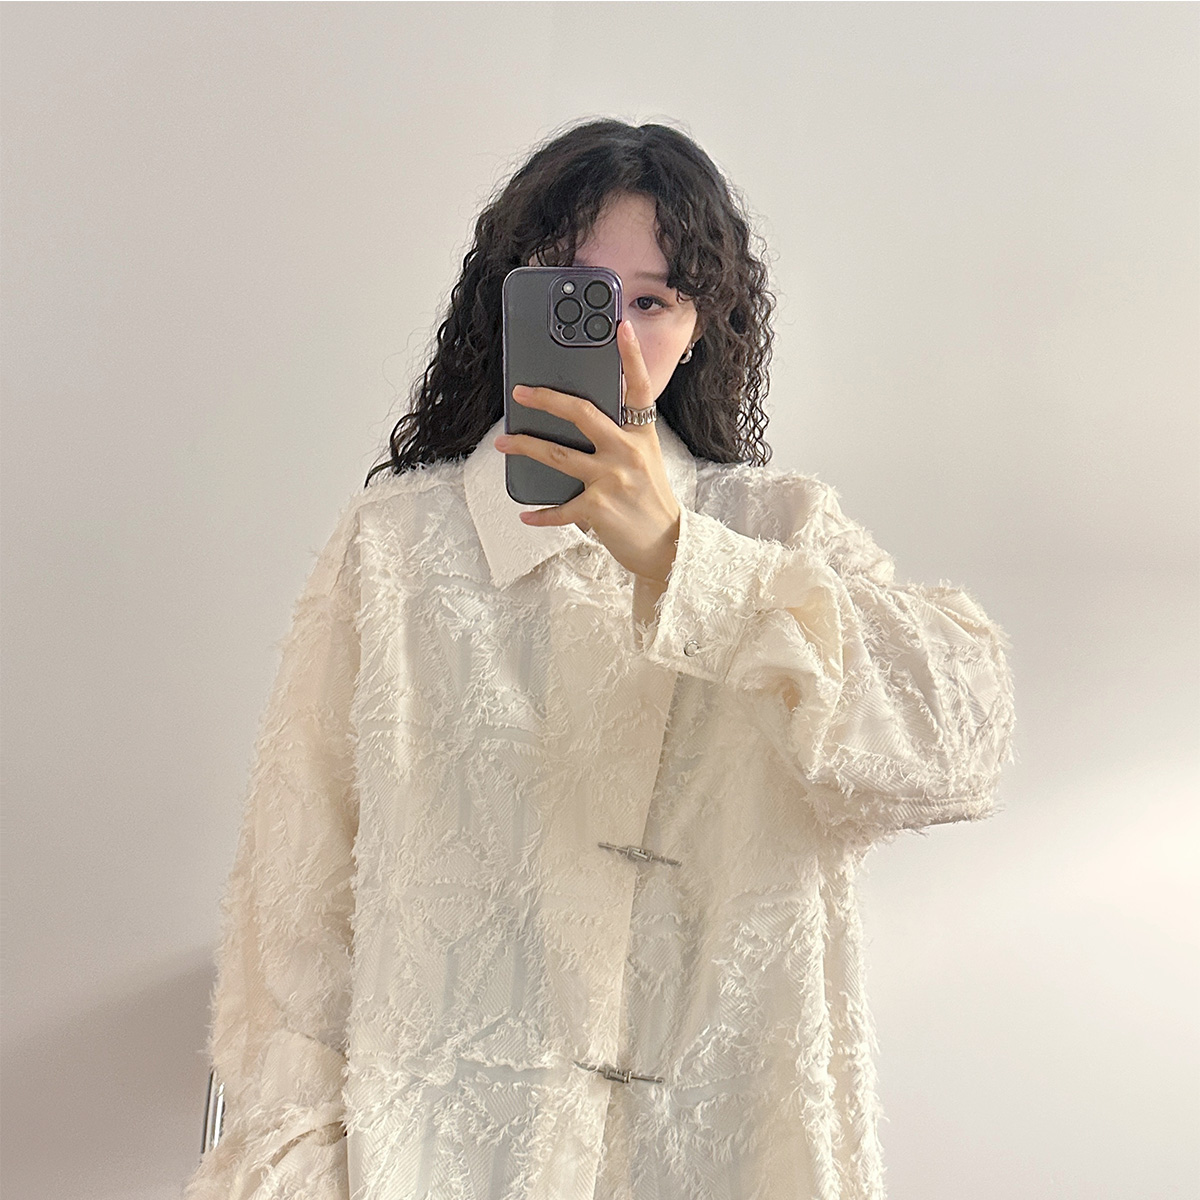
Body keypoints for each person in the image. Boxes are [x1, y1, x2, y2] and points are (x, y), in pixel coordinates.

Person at [182, 118, 1016, 1200]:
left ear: (700, 326)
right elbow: (291, 920)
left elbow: (963, 746)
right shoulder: (393, 553)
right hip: (440, 1167)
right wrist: (299, 1171)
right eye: (577, 293)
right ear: (512, 302)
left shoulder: (780, 533)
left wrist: (683, 560)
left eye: (654, 301)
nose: (615, 334)